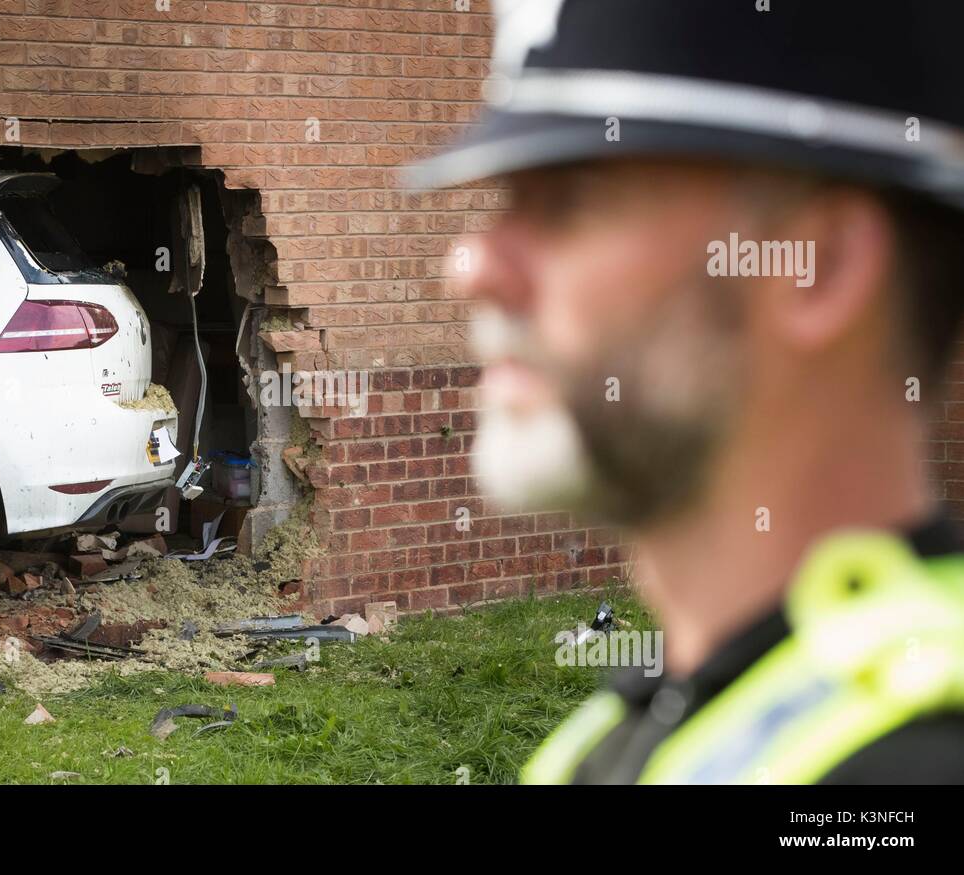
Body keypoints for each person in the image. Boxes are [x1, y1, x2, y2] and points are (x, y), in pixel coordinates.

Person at [410, 0, 964, 783]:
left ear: (818, 267)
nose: (470, 266)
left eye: (571, 198)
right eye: (509, 200)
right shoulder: (616, 737)